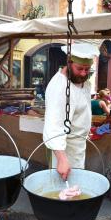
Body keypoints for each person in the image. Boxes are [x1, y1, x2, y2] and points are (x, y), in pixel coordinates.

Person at [43, 43, 99, 180]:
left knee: (75, 187)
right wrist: (61, 159)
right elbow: (54, 125)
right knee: (62, 191)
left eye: (87, 69)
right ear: (69, 63)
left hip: (78, 147)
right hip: (63, 149)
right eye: (80, 68)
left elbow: (80, 108)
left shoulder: (83, 83)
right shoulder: (60, 87)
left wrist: (85, 128)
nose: (83, 73)